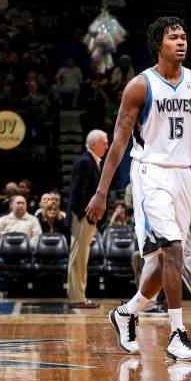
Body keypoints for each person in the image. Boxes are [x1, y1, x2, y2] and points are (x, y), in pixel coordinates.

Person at [86, 17, 191, 361]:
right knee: (174, 250)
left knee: (164, 264)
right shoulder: (140, 86)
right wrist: (102, 191)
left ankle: (126, 313)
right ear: (158, 45)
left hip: (182, 175)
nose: (181, 42)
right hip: (150, 174)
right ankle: (178, 335)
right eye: (173, 37)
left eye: (184, 36)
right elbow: (119, 141)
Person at [66, 129, 109, 309]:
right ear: (93, 144)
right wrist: (85, 216)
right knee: (78, 257)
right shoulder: (85, 161)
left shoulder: (92, 161)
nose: (107, 146)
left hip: (86, 218)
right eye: (104, 142)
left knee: (82, 258)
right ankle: (76, 298)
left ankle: (80, 296)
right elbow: (77, 192)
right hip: (82, 217)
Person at [0, 195, 42, 296]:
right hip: (5, 254)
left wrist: (27, 248)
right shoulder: (2, 220)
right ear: (11, 205)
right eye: (18, 203)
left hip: (25, 255)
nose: (21, 205)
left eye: (23, 203)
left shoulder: (33, 220)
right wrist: (0, 247)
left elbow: (37, 237)